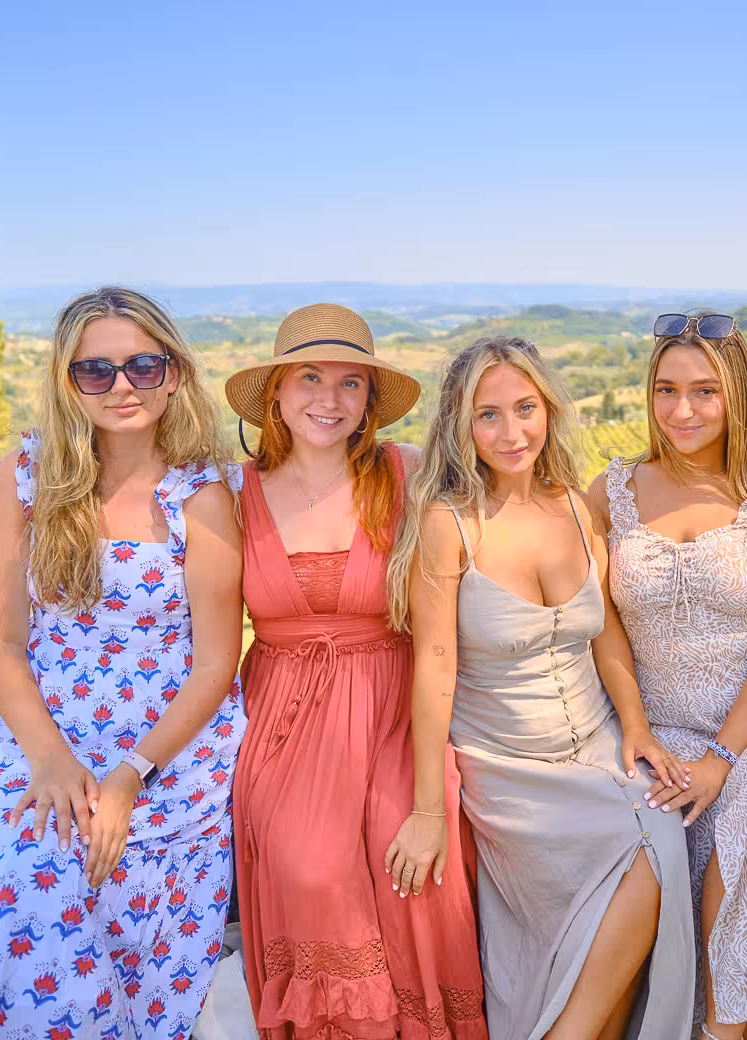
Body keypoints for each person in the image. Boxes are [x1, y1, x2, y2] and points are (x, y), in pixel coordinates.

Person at [384, 336, 696, 1040]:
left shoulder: (577, 509)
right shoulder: (448, 524)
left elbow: (605, 634)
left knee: (658, 836)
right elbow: (433, 668)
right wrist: (429, 811)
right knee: (641, 853)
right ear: (461, 426)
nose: (511, 432)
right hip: (508, 767)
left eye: (525, 408)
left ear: (548, 410)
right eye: (487, 415)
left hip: (599, 743)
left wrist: (637, 728)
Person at [0, 286, 245, 1038]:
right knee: (34, 863)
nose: (122, 386)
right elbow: (0, 642)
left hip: (166, 740)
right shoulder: (25, 476)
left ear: (173, 374)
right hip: (44, 725)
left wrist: (129, 776)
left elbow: (216, 662)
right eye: (96, 370)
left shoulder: (201, 496)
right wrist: (50, 759)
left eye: (143, 366)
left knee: (128, 876)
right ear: (67, 380)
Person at [226, 303, 487, 1040]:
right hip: (284, 719)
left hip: (397, 708)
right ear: (276, 391)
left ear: (370, 401)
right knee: (309, 870)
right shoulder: (231, 494)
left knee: (420, 864)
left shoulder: (407, 476)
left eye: (350, 383)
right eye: (310, 378)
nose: (329, 399)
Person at [587, 312, 747, 1039]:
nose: (683, 410)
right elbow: (604, 625)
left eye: (705, 391)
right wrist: (636, 726)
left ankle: (724, 1029)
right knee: (646, 825)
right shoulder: (611, 491)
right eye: (666, 390)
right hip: (662, 719)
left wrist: (722, 759)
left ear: (738, 398)